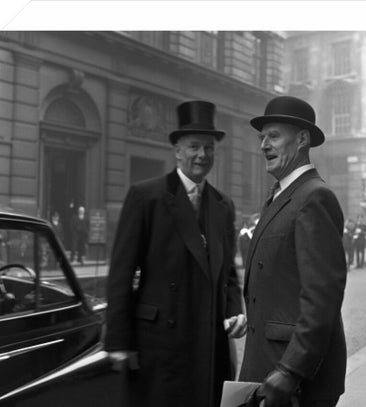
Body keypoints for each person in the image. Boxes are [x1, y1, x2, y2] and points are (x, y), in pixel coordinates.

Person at [105, 100, 247, 407]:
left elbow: (229, 275)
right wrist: (119, 339)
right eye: (194, 146)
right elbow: (121, 271)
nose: (202, 155)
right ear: (177, 150)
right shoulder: (146, 196)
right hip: (159, 341)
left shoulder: (223, 205)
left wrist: (235, 310)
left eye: (209, 148)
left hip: (208, 338)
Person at [239, 96, 347, 407]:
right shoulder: (283, 195)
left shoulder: (314, 197)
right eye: (262, 138)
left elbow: (322, 296)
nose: (263, 146)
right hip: (269, 364)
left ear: (301, 139)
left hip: (295, 378)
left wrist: (291, 369)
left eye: (273, 136)